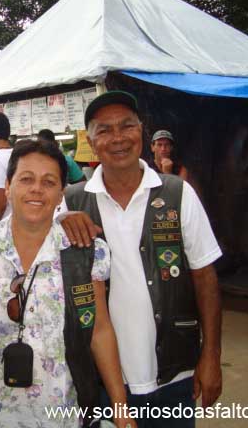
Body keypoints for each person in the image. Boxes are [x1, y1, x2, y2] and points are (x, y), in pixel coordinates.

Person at [62, 91, 222, 428]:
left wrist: (211, 356)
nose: (117, 138)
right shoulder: (71, 202)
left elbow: (205, 277)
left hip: (174, 377)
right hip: (102, 382)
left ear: (142, 131)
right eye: (104, 130)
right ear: (90, 140)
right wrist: (59, 221)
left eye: (127, 126)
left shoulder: (178, 193)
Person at [0, 140, 135, 428]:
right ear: (7, 185)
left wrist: (120, 409)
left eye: (49, 182)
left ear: (60, 194)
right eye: (26, 179)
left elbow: (100, 331)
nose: (36, 189)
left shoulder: (86, 253)